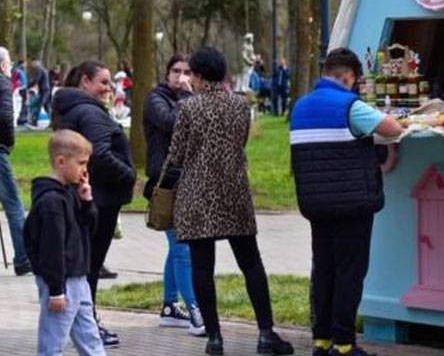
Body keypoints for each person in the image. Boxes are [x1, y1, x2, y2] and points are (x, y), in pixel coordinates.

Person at [167, 47, 293, 356]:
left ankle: (214, 339)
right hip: (234, 191)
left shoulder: (188, 108)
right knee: (251, 263)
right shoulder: (240, 105)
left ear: (198, 76)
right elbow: (241, 143)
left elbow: (177, 155)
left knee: (202, 268)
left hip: (197, 196)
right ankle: (266, 333)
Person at [290, 47, 404, 356]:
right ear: (348, 77)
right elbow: (393, 129)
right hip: (352, 205)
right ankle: (343, 344)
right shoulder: (350, 106)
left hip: (316, 204)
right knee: (349, 273)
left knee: (323, 270)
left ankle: (322, 340)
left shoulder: (300, 107)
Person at [52, 61, 136, 348]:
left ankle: (82, 327)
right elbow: (99, 154)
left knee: (83, 268)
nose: (108, 88)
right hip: (99, 200)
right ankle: (89, 329)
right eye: (103, 82)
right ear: (85, 82)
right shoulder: (90, 113)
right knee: (89, 269)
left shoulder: (71, 109)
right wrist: (128, 174)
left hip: (85, 198)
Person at [23, 130, 104, 356]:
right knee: (53, 342)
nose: (85, 170)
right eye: (81, 163)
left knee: (90, 338)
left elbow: (88, 230)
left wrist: (87, 201)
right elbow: (52, 249)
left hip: (78, 278)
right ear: (61, 162)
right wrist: (56, 290)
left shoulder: (70, 193)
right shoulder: (51, 203)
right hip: (62, 281)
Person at [143, 54, 204, 336]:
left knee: (177, 247)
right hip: (166, 182)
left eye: (187, 72)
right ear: (166, 74)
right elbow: (171, 122)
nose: (182, 76)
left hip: (187, 180)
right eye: (176, 71)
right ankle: (195, 311)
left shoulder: (190, 100)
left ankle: (169, 306)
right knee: (182, 247)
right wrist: (189, 98)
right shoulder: (155, 99)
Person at [0, 46, 31, 275]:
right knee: (13, 203)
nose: (10, 67)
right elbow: (5, 117)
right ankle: (23, 258)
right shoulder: (3, 82)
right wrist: (8, 143)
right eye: (9, 63)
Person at [31, 59, 52, 125]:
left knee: (39, 105)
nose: (32, 65)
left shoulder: (39, 70)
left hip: (44, 90)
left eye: (33, 63)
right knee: (46, 107)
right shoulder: (44, 70)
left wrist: (28, 86)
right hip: (46, 89)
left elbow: (36, 79)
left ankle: (34, 121)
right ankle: (52, 121)